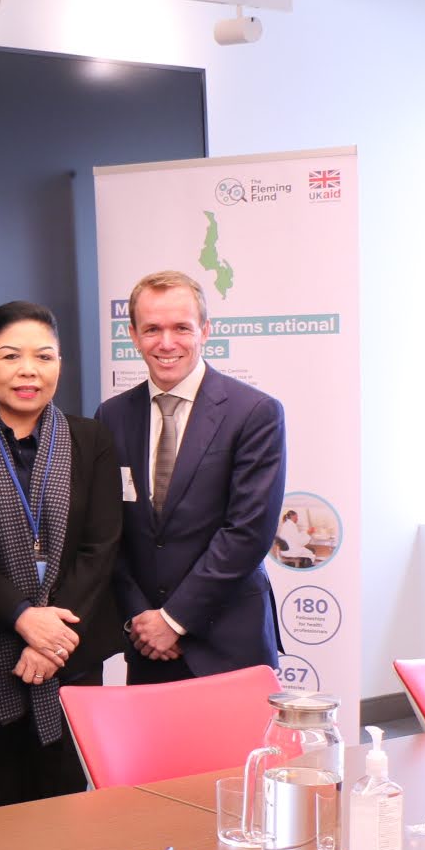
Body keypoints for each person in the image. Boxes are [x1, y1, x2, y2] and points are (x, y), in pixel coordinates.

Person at [0, 302, 122, 811]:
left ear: (59, 366)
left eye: (44, 357)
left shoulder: (90, 437)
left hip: (71, 655)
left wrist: (52, 639)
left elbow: (101, 547)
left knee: (68, 806)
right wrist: (23, 619)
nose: (28, 370)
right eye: (11, 356)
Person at [97, 270, 287, 683]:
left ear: (205, 330)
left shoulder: (254, 413)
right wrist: (142, 619)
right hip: (147, 644)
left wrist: (175, 619)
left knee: (241, 752)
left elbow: (248, 532)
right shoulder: (111, 416)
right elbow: (108, 531)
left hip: (229, 644)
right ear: (132, 334)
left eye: (181, 327)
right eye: (152, 329)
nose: (166, 343)